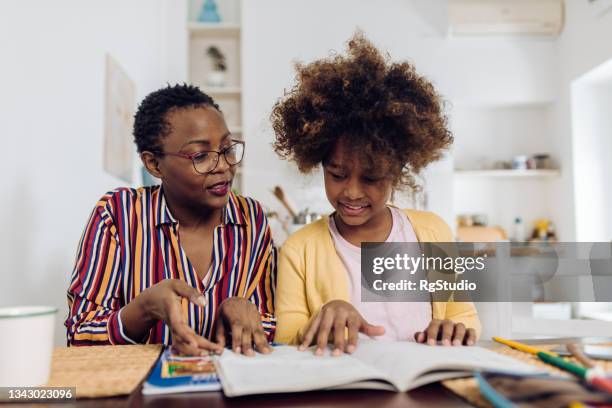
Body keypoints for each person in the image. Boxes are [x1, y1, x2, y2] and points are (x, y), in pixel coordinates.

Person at [271, 34, 481, 355]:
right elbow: (285, 339)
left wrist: (455, 330)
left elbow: (464, 316)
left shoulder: (432, 232)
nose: (352, 192)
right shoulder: (299, 250)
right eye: (337, 174)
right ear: (321, 164)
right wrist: (326, 317)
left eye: (371, 177)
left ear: (397, 172)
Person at [66, 84, 275, 356]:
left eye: (227, 149)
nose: (223, 165)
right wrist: (142, 310)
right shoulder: (118, 214)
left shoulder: (252, 219)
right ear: (154, 164)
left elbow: (269, 325)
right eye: (200, 155)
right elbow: (79, 335)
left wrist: (244, 312)